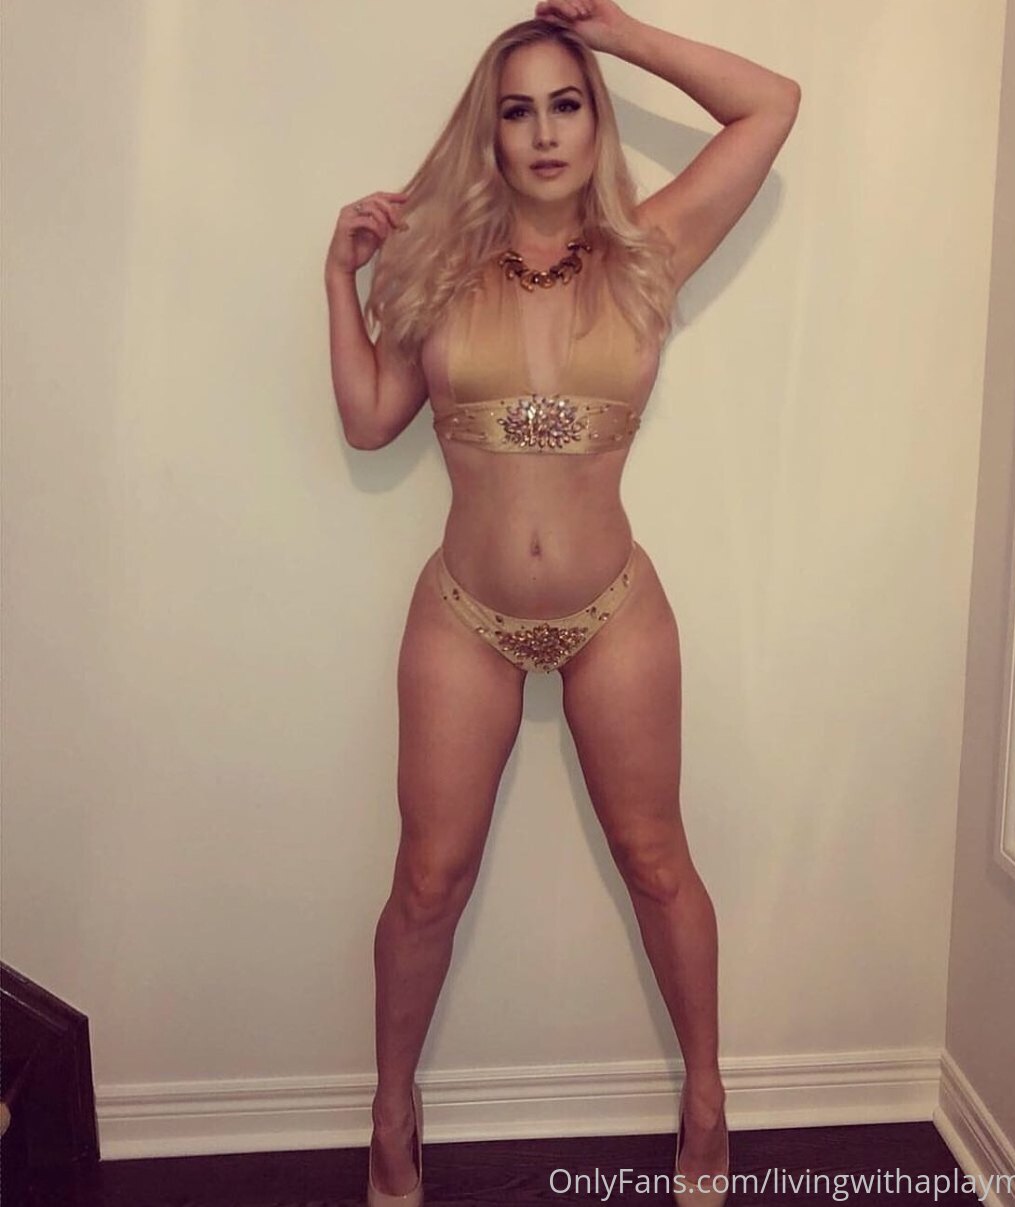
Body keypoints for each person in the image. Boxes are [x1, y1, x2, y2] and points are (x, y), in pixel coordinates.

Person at [324, 2, 799, 1202]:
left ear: (594, 122)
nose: (543, 133)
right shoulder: (435, 263)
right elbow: (371, 420)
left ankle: (705, 1097)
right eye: (518, 111)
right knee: (425, 881)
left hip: (612, 611)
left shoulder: (651, 248)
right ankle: (391, 1111)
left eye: (566, 104)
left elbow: (771, 105)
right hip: (463, 616)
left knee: (656, 859)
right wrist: (339, 277)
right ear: (488, 132)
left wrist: (617, 32)